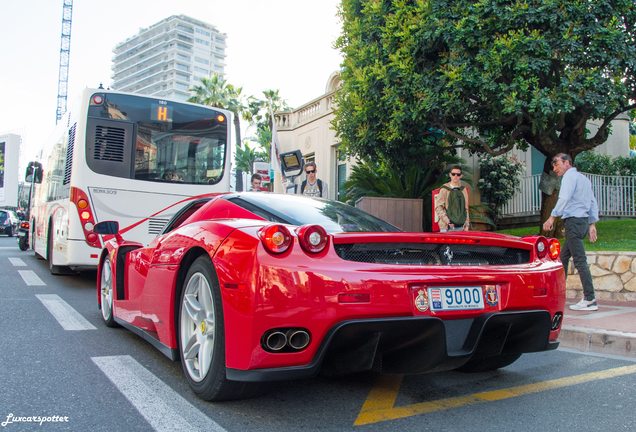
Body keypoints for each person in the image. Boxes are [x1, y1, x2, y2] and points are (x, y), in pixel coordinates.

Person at [543, 153, 599, 311]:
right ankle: (557, 296)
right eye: (553, 166)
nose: (554, 168)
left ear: (567, 163)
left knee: (580, 261)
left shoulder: (569, 177)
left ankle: (590, 299)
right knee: (562, 258)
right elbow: (592, 201)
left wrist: (552, 218)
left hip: (574, 223)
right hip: (580, 223)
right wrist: (592, 224)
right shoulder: (584, 179)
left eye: (556, 164)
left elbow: (564, 198)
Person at [435, 166, 470, 232]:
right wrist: (448, 221)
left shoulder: (463, 189)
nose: (455, 176)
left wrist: (467, 224)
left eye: (458, 174)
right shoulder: (444, 189)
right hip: (446, 226)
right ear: (450, 175)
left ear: (461, 176)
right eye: (453, 174)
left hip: (461, 226)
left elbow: (465, 208)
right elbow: (438, 207)